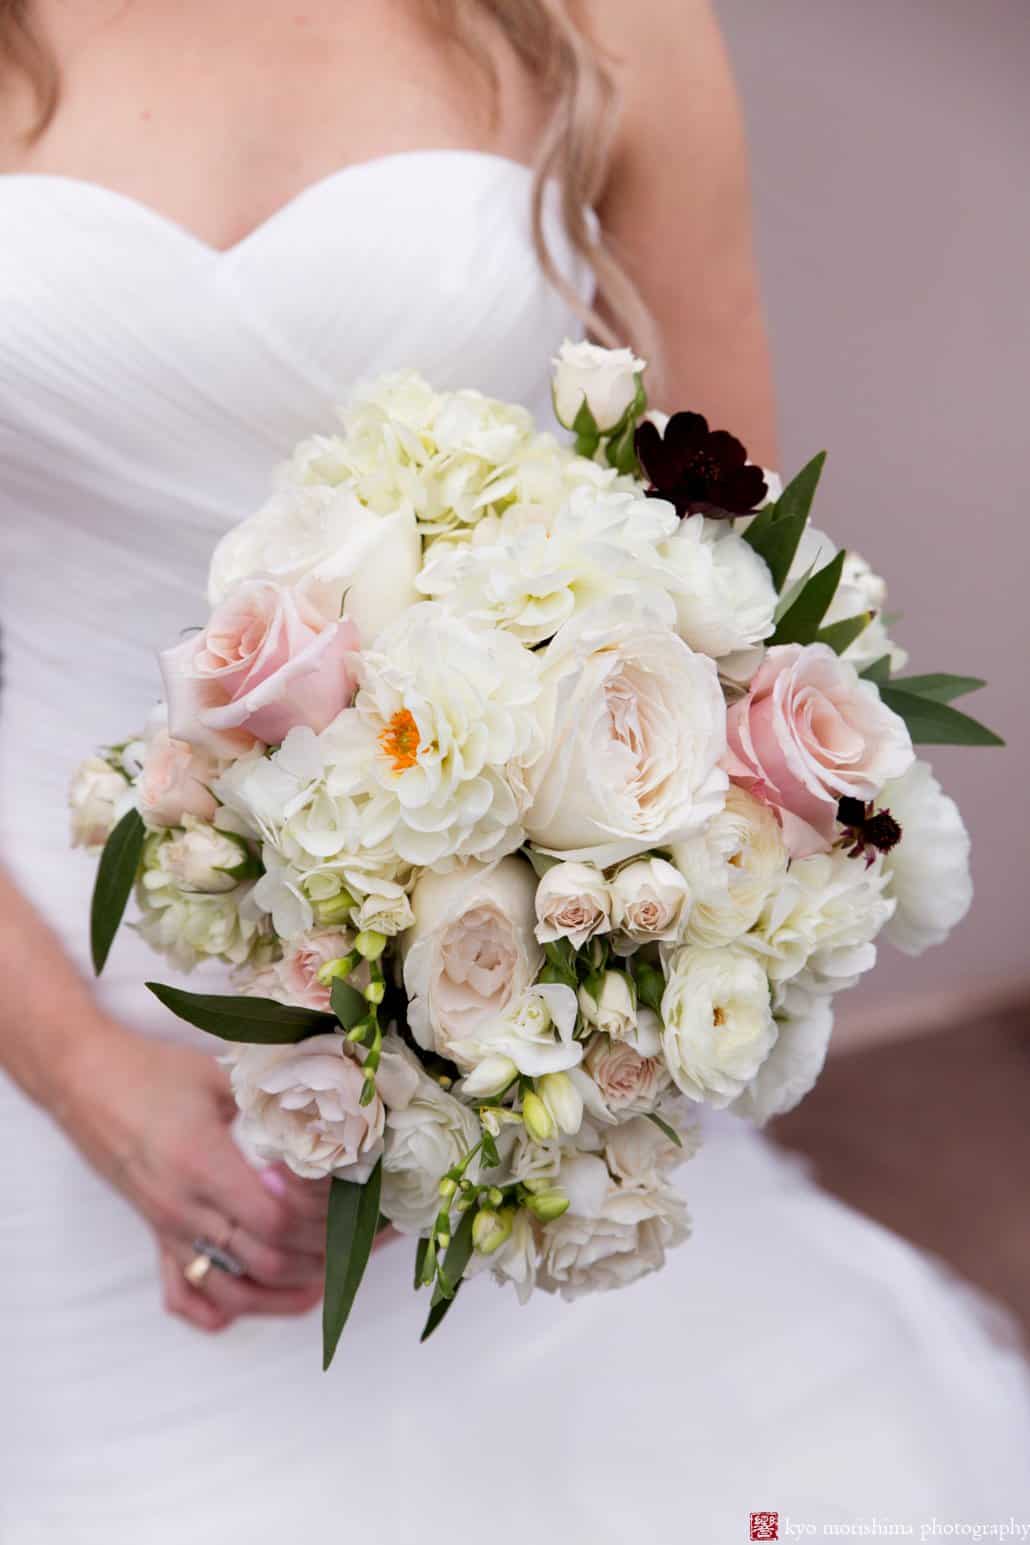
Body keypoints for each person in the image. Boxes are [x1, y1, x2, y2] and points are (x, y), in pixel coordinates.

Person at [1, 3, 1028, 1540]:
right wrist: (90, 1083)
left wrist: (587, 983)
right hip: (60, 1008)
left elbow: (726, 569)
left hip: (531, 1033)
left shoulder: (600, 22)